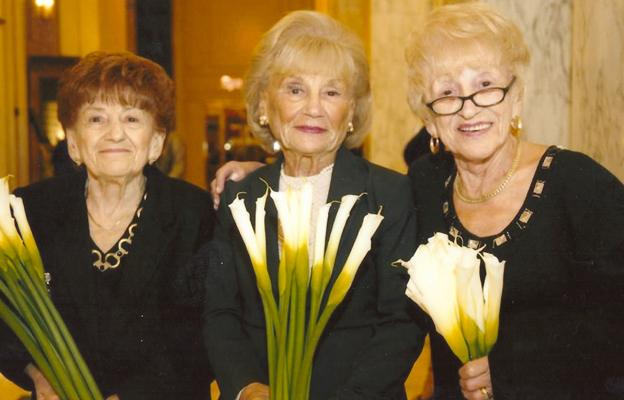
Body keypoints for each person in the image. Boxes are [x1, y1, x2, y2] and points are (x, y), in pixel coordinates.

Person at [201, 11, 424, 400]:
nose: (314, 108)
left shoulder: (389, 194)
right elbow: (220, 313)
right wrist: (247, 388)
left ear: (352, 112)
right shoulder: (240, 196)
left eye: (332, 92)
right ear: (264, 106)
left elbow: (401, 322)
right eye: (296, 89)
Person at [405, 3, 624, 399]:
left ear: (516, 98)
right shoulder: (423, 186)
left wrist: (513, 366)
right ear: (429, 119)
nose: (469, 107)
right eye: (448, 93)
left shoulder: (577, 184)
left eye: (486, 86)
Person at [0, 52, 214, 399]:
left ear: (156, 142)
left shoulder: (194, 213)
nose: (114, 134)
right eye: (96, 119)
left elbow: (205, 335)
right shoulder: (29, 211)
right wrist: (36, 373)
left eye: (131, 118)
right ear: (73, 141)